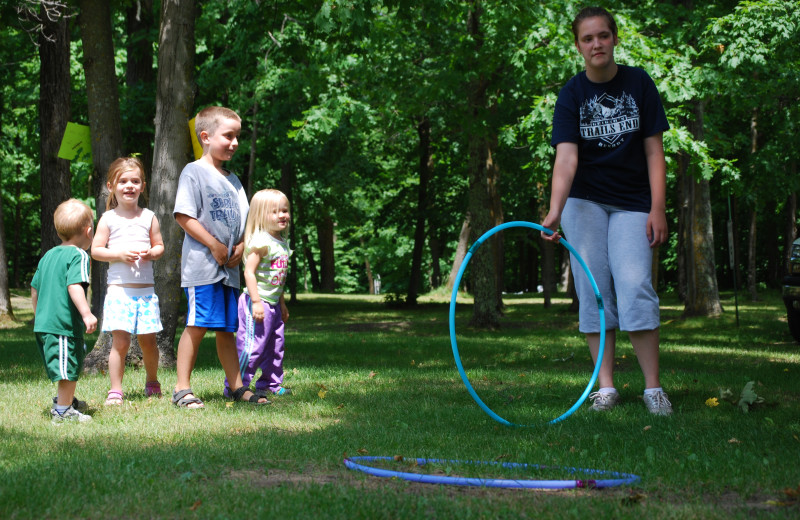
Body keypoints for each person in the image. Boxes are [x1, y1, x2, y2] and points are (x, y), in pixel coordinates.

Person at [541, 7, 672, 415]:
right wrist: (554, 211)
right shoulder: (572, 94)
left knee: (634, 286)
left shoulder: (639, 83)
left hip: (634, 203)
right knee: (594, 293)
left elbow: (655, 151)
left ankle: (653, 389)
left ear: (614, 38)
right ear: (579, 46)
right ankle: (608, 388)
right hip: (585, 203)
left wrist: (658, 208)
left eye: (603, 36)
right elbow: (566, 159)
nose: (596, 44)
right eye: (587, 38)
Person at [172, 105, 269, 407]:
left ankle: (237, 386)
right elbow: (183, 216)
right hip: (202, 268)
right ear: (206, 137)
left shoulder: (234, 180)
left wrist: (241, 246)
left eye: (238, 137)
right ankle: (181, 388)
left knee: (228, 330)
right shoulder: (194, 172)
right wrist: (214, 245)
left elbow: (245, 222)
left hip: (230, 271)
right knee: (197, 325)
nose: (235, 143)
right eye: (228, 136)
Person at [91, 157, 164, 406]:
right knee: (120, 342)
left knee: (148, 341)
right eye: (123, 181)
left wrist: (152, 253)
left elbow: (159, 246)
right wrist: (119, 254)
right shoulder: (108, 218)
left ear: (143, 186)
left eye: (135, 181)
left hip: (145, 292)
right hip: (119, 292)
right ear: (112, 186)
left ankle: (152, 381)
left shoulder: (149, 216)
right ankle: (116, 390)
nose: (129, 186)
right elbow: (96, 250)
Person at [31, 199, 98, 424]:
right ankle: (62, 411)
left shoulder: (48, 255)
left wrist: (37, 314)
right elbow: (74, 285)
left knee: (70, 361)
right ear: (89, 231)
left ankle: (66, 400)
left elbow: (34, 287)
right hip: (62, 325)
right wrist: (86, 313)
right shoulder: (78, 255)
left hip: (45, 324)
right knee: (67, 366)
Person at [224, 189, 292, 399]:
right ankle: (236, 386)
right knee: (252, 347)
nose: (282, 215)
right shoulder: (261, 241)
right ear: (261, 216)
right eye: (275, 212)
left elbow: (278, 279)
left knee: (275, 346)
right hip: (257, 303)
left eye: (285, 210)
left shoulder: (281, 242)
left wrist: (281, 304)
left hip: (273, 304)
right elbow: (249, 272)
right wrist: (255, 302)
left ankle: (270, 384)